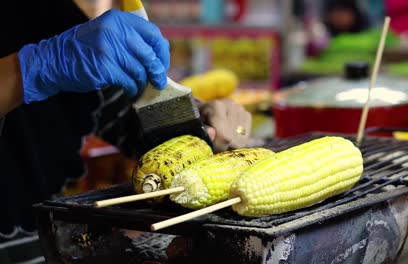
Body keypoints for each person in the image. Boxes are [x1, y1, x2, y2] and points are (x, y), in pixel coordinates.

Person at [0, 1, 252, 263]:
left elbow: (126, 119)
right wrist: (32, 68)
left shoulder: (65, 20)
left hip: (47, 245)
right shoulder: (65, 45)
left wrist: (201, 122)